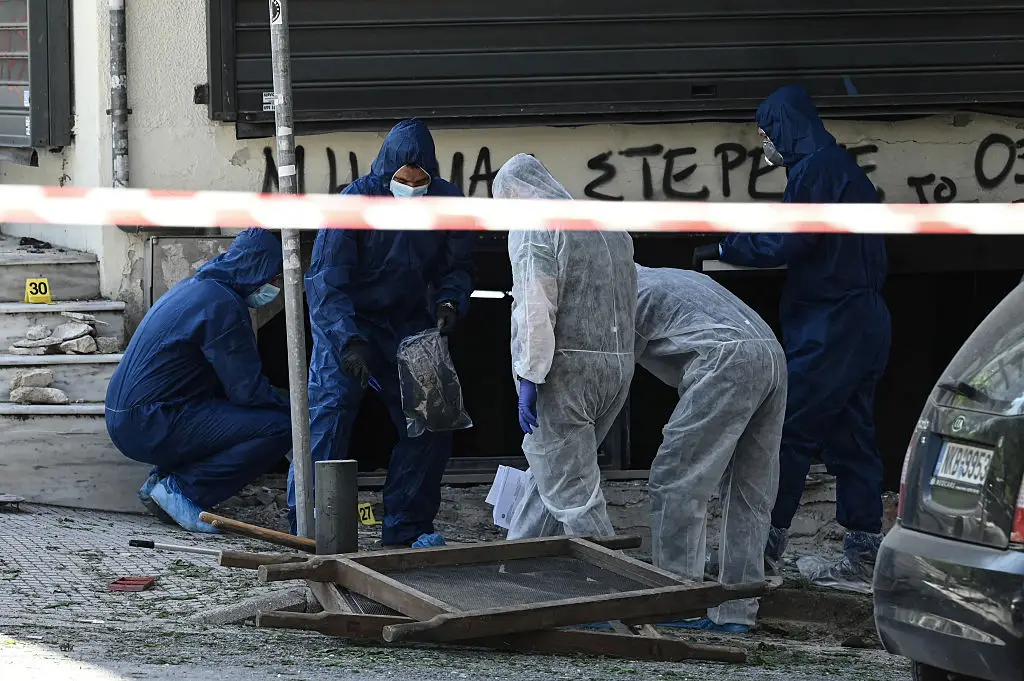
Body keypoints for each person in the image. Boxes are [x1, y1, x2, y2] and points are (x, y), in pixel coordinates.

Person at [692, 85, 891, 591]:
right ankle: (863, 553)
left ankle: (759, 548)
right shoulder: (843, 169)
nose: (765, 144)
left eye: (766, 132)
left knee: (789, 431)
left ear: (784, 127)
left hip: (831, 323)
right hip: (865, 318)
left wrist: (725, 247)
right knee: (852, 435)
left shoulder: (815, 171)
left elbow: (791, 240)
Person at [293, 118, 475, 548]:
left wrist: (451, 302)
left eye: (420, 179)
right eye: (402, 178)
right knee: (331, 414)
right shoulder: (353, 203)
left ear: (432, 174)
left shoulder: (448, 201)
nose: (411, 185)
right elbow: (325, 281)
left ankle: (407, 524)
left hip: (409, 323)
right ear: (385, 172)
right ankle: (309, 525)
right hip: (350, 322)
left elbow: (459, 266)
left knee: (434, 416)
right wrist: (347, 340)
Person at [105, 228, 292, 533]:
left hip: (128, 417)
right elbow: (246, 390)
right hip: (148, 421)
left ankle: (160, 482)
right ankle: (184, 489)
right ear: (255, 269)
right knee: (281, 425)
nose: (275, 285)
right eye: (274, 276)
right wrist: (293, 404)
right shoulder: (224, 305)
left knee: (217, 411)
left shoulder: (196, 288)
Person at [634, 265, 786, 633]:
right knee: (750, 491)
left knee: (676, 479)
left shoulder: (622, 294)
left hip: (727, 360)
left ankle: (679, 603)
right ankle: (738, 611)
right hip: (772, 356)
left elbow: (610, 378)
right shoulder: (670, 276)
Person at [495, 153, 637, 540]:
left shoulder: (534, 223)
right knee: (552, 478)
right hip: (615, 370)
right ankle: (515, 568)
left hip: (565, 377)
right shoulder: (608, 229)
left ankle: (622, 589)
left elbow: (535, 304)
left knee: (574, 496)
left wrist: (529, 375)